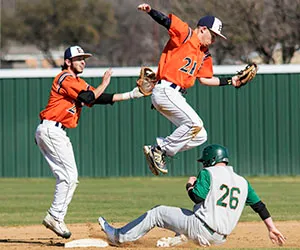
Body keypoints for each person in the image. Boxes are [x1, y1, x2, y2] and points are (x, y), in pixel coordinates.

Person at [35, 45, 144, 239]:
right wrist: (105, 82)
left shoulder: (77, 81)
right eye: (78, 59)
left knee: (68, 177)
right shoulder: (65, 78)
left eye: (84, 58)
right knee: (69, 176)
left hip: (54, 130)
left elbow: (98, 98)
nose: (83, 61)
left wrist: (132, 94)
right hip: (52, 129)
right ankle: (54, 216)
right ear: (68, 62)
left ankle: (55, 215)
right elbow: (89, 96)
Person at [98, 144, 286, 247]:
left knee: (158, 212)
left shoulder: (209, 173)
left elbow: (196, 197)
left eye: (205, 162)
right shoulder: (243, 182)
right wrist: (272, 228)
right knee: (198, 212)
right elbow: (259, 206)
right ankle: (180, 237)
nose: (204, 165)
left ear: (211, 160)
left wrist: (189, 184)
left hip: (200, 229)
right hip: (219, 240)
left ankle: (119, 237)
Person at [137, 3, 242, 175]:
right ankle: (159, 149)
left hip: (175, 94)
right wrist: (150, 11)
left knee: (201, 135)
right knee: (194, 123)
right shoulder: (186, 35)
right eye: (213, 35)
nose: (214, 40)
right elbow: (166, 22)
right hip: (165, 90)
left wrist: (232, 81)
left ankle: (161, 151)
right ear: (202, 29)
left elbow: (206, 80)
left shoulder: (204, 53)